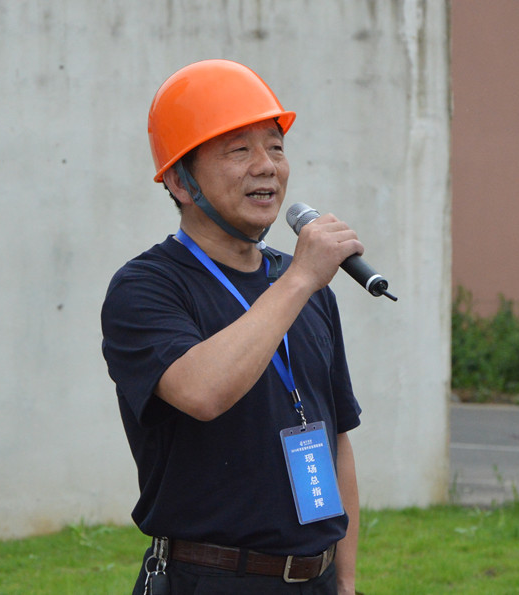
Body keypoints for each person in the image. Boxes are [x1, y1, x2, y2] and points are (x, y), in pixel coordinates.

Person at [101, 59, 363, 595]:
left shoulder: (306, 285)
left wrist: (345, 581)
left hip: (315, 578)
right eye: (239, 150)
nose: (266, 167)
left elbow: (337, 440)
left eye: (276, 147)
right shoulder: (146, 287)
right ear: (180, 180)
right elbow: (202, 391)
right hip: (210, 577)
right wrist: (299, 280)